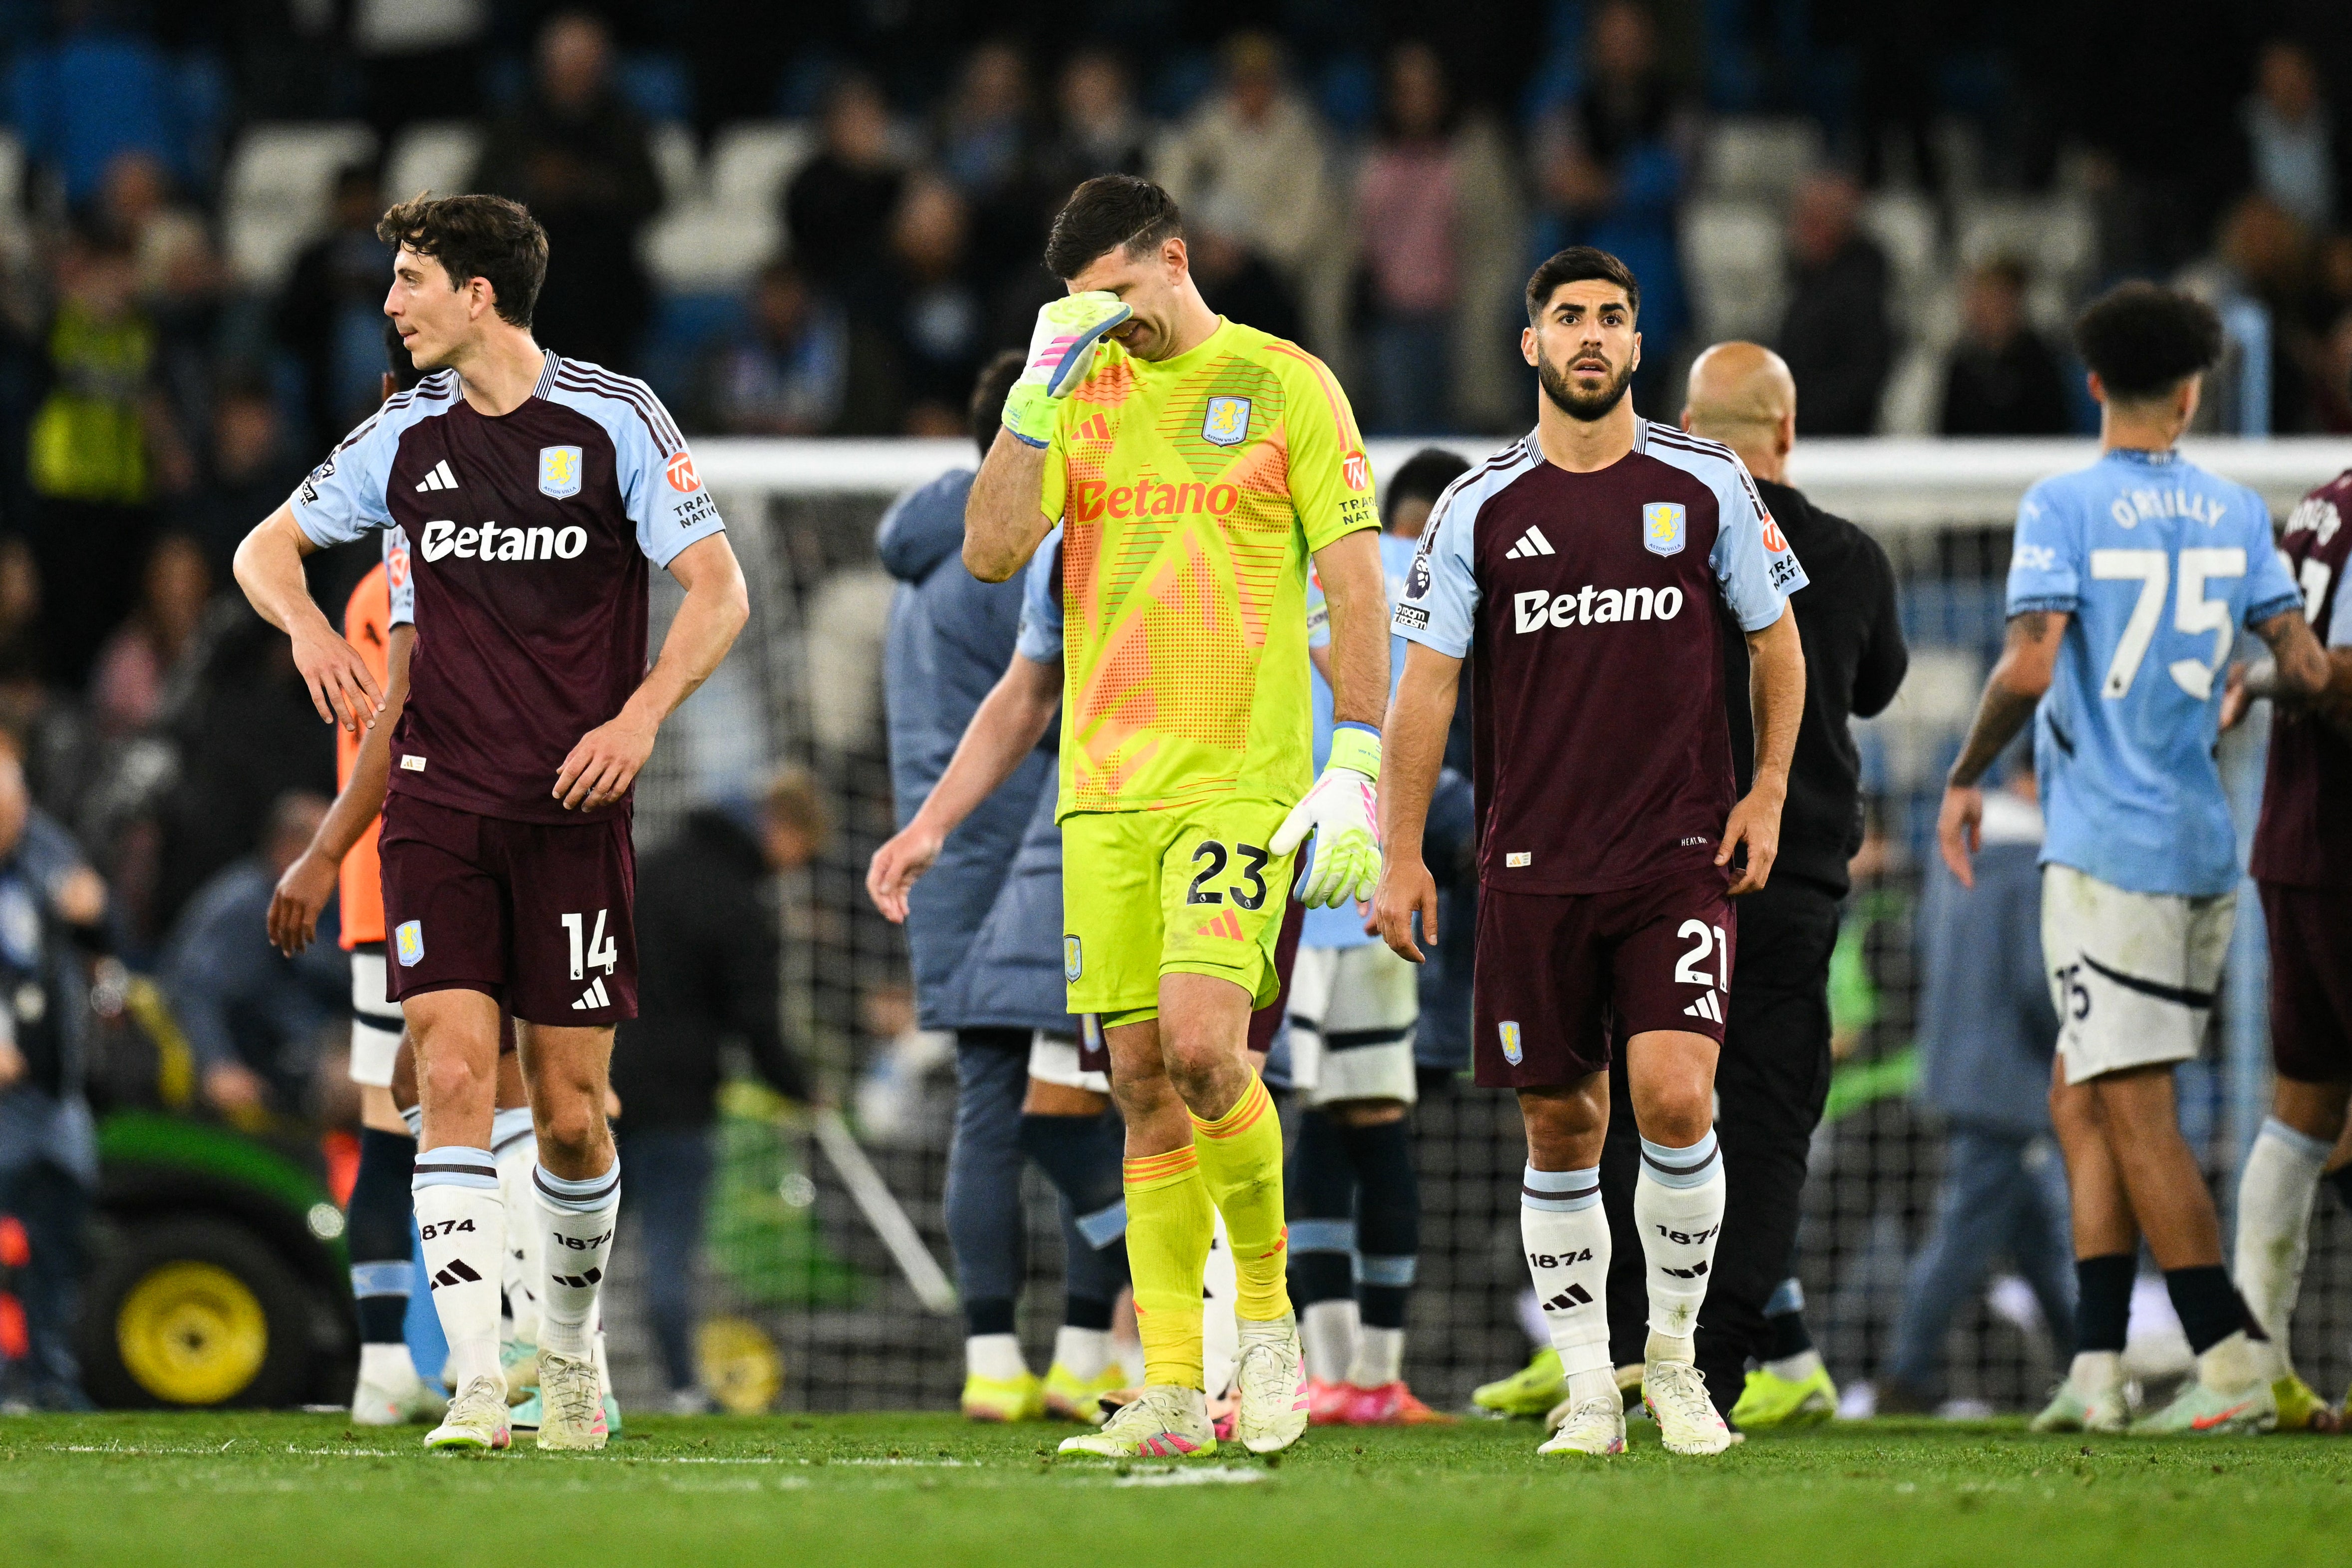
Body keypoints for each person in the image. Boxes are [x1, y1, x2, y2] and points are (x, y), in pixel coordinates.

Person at [231, 191, 749, 1453]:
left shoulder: (617, 417)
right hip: (436, 809)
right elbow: (265, 550)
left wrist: (637, 719)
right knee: (450, 1078)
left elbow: (717, 592)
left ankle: (567, 1350)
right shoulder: (401, 433)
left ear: (478, 294)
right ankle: (472, 1377)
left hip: (572, 814)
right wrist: (303, 621)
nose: (393, 302)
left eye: (412, 279)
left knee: (571, 1112)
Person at [938, 173, 1393, 1459]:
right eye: (1083, 308)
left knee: (1205, 1048)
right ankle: (1176, 1386)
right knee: (1137, 1081)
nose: (1108, 326)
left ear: (1177, 261)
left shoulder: (1289, 383)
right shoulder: (1075, 392)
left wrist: (1352, 760)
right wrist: (1032, 401)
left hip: (1235, 781)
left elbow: (1356, 586)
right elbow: (988, 549)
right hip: (1101, 795)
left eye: (1121, 299)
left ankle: (1268, 1317)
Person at [1375, 246, 1809, 1459]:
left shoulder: (1708, 479)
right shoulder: (1477, 505)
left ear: (1634, 347)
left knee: (1676, 1095)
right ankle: (1586, 1386)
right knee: (1561, 1126)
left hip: (1675, 851)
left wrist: (1766, 789)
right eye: (1568, 316)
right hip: (1529, 866)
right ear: (1530, 344)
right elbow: (1426, 691)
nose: (1591, 336)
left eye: (1613, 318)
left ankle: (1673, 1363)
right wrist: (1400, 849)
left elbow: (1778, 645)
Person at [1936, 280, 2331, 1437]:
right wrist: (2239, 683)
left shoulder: (2062, 502)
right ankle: (2098, 1364)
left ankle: (2229, 1359)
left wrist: (1963, 775)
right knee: (2081, 1091)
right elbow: (2304, 668)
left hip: (2110, 853)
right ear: (2193, 392)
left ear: (2096, 382)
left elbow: (2026, 663)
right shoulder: (2235, 508)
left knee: (2135, 1104)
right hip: (2205, 843)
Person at [1599, 340, 1905, 1431]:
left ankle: (1631, 1350)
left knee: (1645, 1108)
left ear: (1683, 424)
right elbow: (1874, 689)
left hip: (1663, 870)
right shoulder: (1852, 557)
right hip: (1796, 879)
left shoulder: (1647, 541)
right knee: (1769, 1124)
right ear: (1786, 429)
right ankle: (1715, 1369)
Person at [872, 351, 1133, 1422]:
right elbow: (1059, 709)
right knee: (1076, 1097)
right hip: (1029, 855)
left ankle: (1000, 1357)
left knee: (1000, 1099)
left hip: (948, 859)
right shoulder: (1008, 557)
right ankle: (1074, 1348)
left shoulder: (925, 561)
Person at [1287, 449, 1468, 1426]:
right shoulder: (1431, 576)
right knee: (1374, 1123)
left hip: (1267, 885)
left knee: (1286, 1125)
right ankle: (1377, 1375)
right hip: (1371, 889)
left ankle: (1304, 1369)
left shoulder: (1284, 556)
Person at [611, 772, 818, 1414]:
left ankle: (536, 1363)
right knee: (669, 1256)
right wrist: (801, 1088)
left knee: (574, 1239)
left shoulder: (647, 867)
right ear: (783, 829)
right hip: (680, 1100)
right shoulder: (739, 902)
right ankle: (680, 1387)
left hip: (604, 1084)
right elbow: (757, 1020)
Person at [1883, 747, 2074, 1414]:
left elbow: (1923, 950)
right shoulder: (2034, 865)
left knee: (2036, 1236)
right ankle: (1903, 1374)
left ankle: (2089, 1362)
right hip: (2011, 1081)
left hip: (1953, 1066)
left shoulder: (1957, 851)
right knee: (1966, 1233)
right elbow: (2035, 981)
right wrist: (2076, 1033)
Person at [2224, 461, 2352, 1432]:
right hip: (2341, 842)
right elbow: (2335, 677)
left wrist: (2259, 678)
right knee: (2304, 1109)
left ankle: (2251, 1368)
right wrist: (2276, 677)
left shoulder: (2320, 504)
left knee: (2303, 1108)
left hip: (2293, 840)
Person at [0, 726, 108, 1410]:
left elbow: (105, 933)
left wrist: (97, 914)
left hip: (55, 1087)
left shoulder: (47, 850)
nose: (12, 814)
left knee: (61, 1239)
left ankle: (52, 1375)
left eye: (14, 798)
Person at [471, 14, 662, 374]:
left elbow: (650, 195)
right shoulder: (515, 123)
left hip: (603, 266)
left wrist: (586, 185)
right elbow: (480, 195)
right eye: (568, 68)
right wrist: (532, 187)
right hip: (528, 265)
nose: (576, 78)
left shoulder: (623, 124)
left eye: (585, 68)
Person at [161, 790, 346, 1112]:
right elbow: (193, 987)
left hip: (305, 1042)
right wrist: (217, 1064)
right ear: (288, 848)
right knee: (363, 1088)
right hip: (266, 1057)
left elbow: (328, 975)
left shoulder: (304, 906)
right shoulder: (245, 905)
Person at [1775, 173, 1893, 437]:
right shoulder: (1803, 280)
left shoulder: (1863, 290)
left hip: (1840, 441)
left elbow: (1862, 379)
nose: (1801, 231)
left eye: (1814, 221)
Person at [1939, 259, 2074, 438]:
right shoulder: (1962, 365)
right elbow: (1949, 436)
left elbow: (2053, 433)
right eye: (1981, 298)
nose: (1986, 308)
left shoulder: (2040, 363)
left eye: (1997, 298)